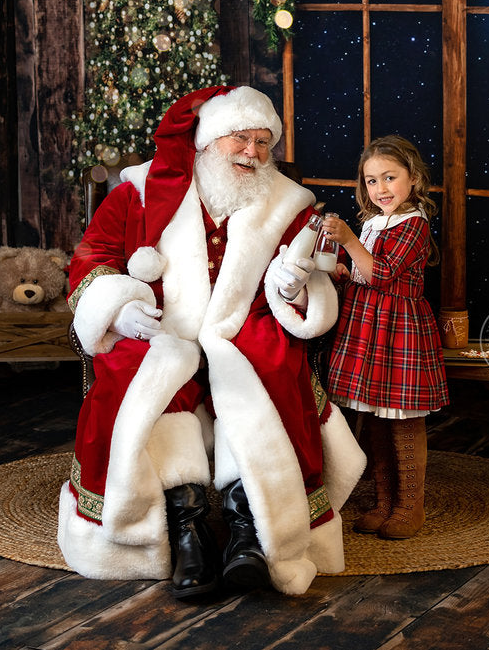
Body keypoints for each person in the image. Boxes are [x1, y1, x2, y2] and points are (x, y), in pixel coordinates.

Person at [60, 85, 365, 599]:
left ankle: (249, 527)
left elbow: (310, 272)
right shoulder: (138, 191)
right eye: (240, 139)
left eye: (264, 142)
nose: (253, 152)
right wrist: (119, 305)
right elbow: (93, 255)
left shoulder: (289, 205)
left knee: (271, 367)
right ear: (207, 141)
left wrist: (296, 287)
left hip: (241, 327)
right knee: (133, 371)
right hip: (163, 327)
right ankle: (187, 528)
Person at [320, 135, 447, 540]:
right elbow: (362, 271)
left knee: (401, 417)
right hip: (365, 326)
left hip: (398, 331)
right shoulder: (372, 223)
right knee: (372, 414)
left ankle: (412, 504)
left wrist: (350, 243)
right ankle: (384, 500)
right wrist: (343, 268)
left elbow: (383, 273)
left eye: (390, 178)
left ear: (413, 178)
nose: (381, 189)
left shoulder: (415, 224)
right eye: (371, 181)